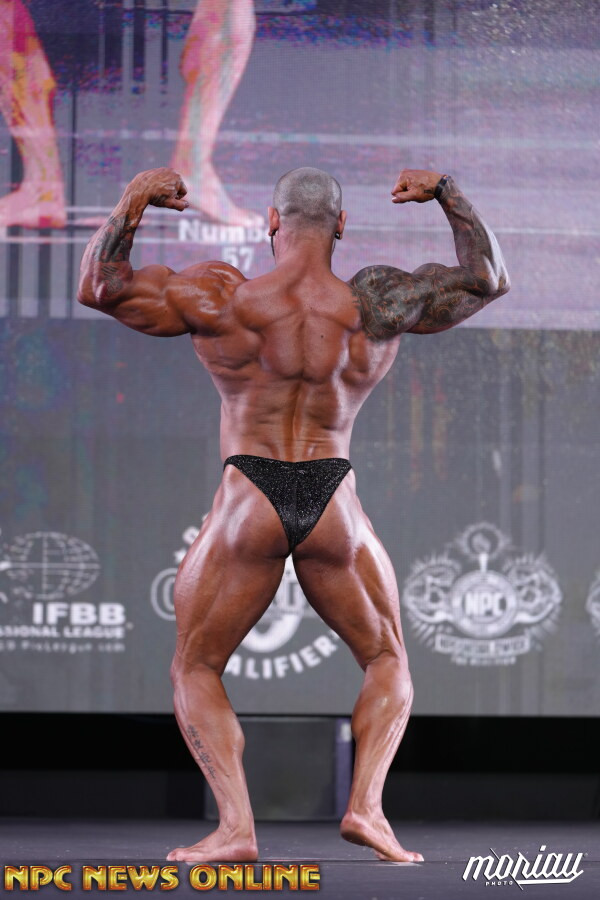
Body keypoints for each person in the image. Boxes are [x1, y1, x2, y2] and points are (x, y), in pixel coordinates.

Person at [78, 165, 510, 863]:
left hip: (249, 492)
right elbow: (488, 279)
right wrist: (448, 192)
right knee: (387, 658)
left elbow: (101, 287)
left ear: (271, 223)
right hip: (332, 493)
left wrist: (134, 199)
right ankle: (367, 809)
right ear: (342, 226)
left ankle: (236, 828)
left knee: (197, 666)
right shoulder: (378, 300)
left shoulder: (221, 295)